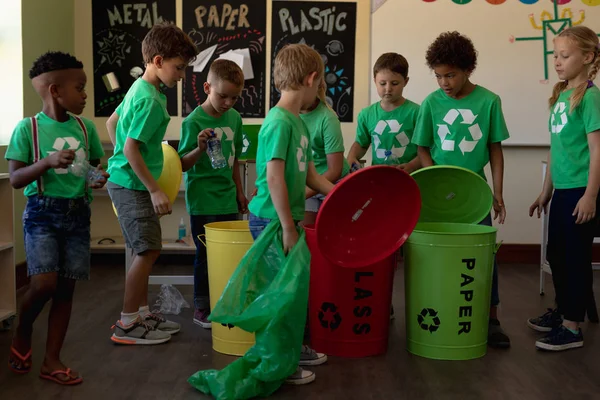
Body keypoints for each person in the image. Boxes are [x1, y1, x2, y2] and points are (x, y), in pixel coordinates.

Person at [5, 51, 108, 384]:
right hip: (42, 216)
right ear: (54, 90)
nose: (85, 94)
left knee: (65, 289)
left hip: (78, 214)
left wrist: (98, 175)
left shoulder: (85, 127)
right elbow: (17, 179)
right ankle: (23, 329)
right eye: (79, 87)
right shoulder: (28, 129)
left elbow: (96, 166)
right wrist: (47, 162)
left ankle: (52, 360)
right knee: (43, 284)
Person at [413, 31, 511, 348]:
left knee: (484, 256)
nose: (444, 82)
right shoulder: (430, 103)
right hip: (438, 194)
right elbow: (423, 149)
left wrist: (497, 192)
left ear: (468, 69)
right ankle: (440, 308)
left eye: (451, 75)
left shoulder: (489, 101)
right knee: (435, 254)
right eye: (439, 76)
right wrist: (435, 179)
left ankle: (491, 318)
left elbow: (495, 149)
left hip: (475, 194)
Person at [105, 22, 197, 345]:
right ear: (158, 61)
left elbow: (113, 122)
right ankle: (128, 323)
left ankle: (141, 314)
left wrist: (118, 161)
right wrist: (154, 187)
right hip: (133, 184)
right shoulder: (150, 101)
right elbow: (130, 147)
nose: (182, 76)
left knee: (148, 248)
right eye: (179, 68)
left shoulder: (139, 88)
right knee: (147, 250)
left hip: (128, 180)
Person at [248, 43, 335, 385]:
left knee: (292, 290)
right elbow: (274, 177)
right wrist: (287, 226)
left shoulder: (299, 123)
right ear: (312, 78)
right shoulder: (279, 122)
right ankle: (278, 365)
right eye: (320, 82)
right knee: (277, 295)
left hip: (285, 221)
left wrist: (340, 193)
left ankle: (291, 348)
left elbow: (311, 175)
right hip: (271, 221)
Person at [528, 26, 600, 351]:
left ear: (587, 57)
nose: (557, 61)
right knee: (556, 253)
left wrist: (591, 195)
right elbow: (555, 149)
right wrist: (546, 191)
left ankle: (572, 327)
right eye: (554, 55)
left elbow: (597, 150)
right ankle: (563, 312)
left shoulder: (591, 97)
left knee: (575, 258)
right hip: (562, 191)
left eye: (564, 55)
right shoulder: (559, 96)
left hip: (581, 191)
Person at [178, 59, 247, 329]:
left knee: (230, 255)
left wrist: (240, 192)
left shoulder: (236, 118)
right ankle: (202, 306)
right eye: (222, 95)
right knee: (205, 255)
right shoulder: (193, 121)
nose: (228, 103)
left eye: (234, 97)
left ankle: (226, 303)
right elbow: (182, 163)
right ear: (207, 87)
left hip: (228, 197)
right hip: (202, 199)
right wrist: (199, 148)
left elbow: (235, 160)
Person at [347, 52, 420, 173]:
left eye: (395, 83)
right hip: (379, 178)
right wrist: (351, 157)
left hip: (411, 178)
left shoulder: (417, 113)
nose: (388, 88)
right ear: (375, 80)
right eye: (382, 83)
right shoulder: (366, 114)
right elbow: (361, 143)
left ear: (405, 82)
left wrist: (412, 165)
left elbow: (425, 150)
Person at [300, 78, 349, 226]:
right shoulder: (287, 117)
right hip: (306, 183)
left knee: (333, 230)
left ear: (316, 86)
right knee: (305, 233)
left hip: (333, 181)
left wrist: (301, 194)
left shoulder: (327, 118)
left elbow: (335, 170)